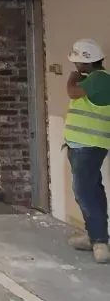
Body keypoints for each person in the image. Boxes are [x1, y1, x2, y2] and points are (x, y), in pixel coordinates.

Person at [64, 38, 110, 263]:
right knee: (92, 190)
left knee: (84, 192)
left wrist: (72, 78)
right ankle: (96, 237)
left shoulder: (99, 79)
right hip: (80, 145)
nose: (75, 67)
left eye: (77, 63)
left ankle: (100, 241)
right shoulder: (94, 79)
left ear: (87, 63)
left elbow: (72, 92)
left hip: (89, 146)